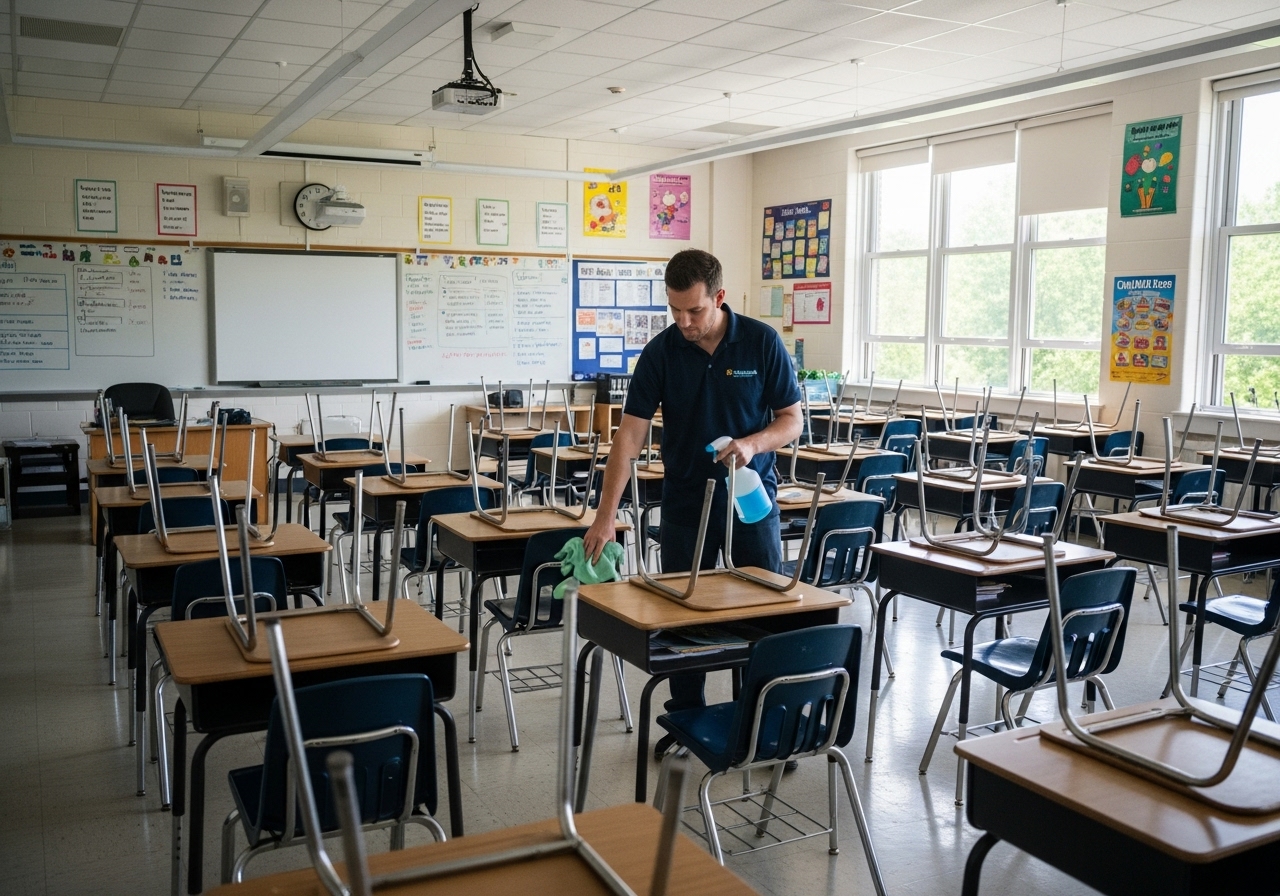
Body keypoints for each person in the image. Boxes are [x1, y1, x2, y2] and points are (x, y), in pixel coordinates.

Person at [583, 248, 803, 756]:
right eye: (675, 310)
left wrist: (752, 444)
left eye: (695, 311)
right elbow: (629, 437)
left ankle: (764, 727)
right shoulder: (661, 352)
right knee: (685, 618)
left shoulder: (761, 342)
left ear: (719, 298)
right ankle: (687, 722)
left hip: (751, 503)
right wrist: (605, 515)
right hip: (686, 502)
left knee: (764, 618)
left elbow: (792, 419)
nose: (684, 321)